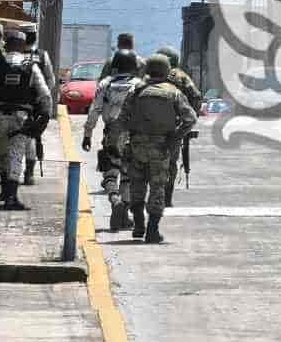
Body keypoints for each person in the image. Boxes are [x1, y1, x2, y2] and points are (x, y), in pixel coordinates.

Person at [0, 28, 53, 211]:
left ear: (6, 45)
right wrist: (45, 115)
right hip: (21, 117)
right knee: (16, 154)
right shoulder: (30, 65)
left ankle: (4, 190)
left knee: (1, 152)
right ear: (23, 46)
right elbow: (45, 94)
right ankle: (11, 197)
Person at [122, 54, 197, 243]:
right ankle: (152, 231)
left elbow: (122, 118)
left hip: (137, 145)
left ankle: (138, 225)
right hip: (161, 147)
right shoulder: (173, 92)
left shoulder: (136, 91)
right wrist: (175, 137)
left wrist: (119, 142)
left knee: (137, 185)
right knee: (157, 187)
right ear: (166, 71)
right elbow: (190, 119)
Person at [83, 49, 143, 231]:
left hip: (112, 133)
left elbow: (94, 110)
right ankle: (124, 214)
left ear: (115, 66)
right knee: (127, 175)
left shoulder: (105, 84)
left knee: (110, 172)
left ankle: (114, 199)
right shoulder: (140, 85)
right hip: (133, 134)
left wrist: (87, 134)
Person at [154, 45, 203, 207]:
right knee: (170, 163)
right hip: (173, 128)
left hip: (149, 126)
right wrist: (187, 118)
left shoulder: (148, 75)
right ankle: (167, 198)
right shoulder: (181, 77)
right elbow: (196, 97)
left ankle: (152, 195)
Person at [21, 25, 57, 185]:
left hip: (16, 103)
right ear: (35, 37)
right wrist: (42, 96)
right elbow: (51, 80)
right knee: (32, 137)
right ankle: (29, 173)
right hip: (36, 105)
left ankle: (9, 174)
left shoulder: (12, 54)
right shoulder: (42, 55)